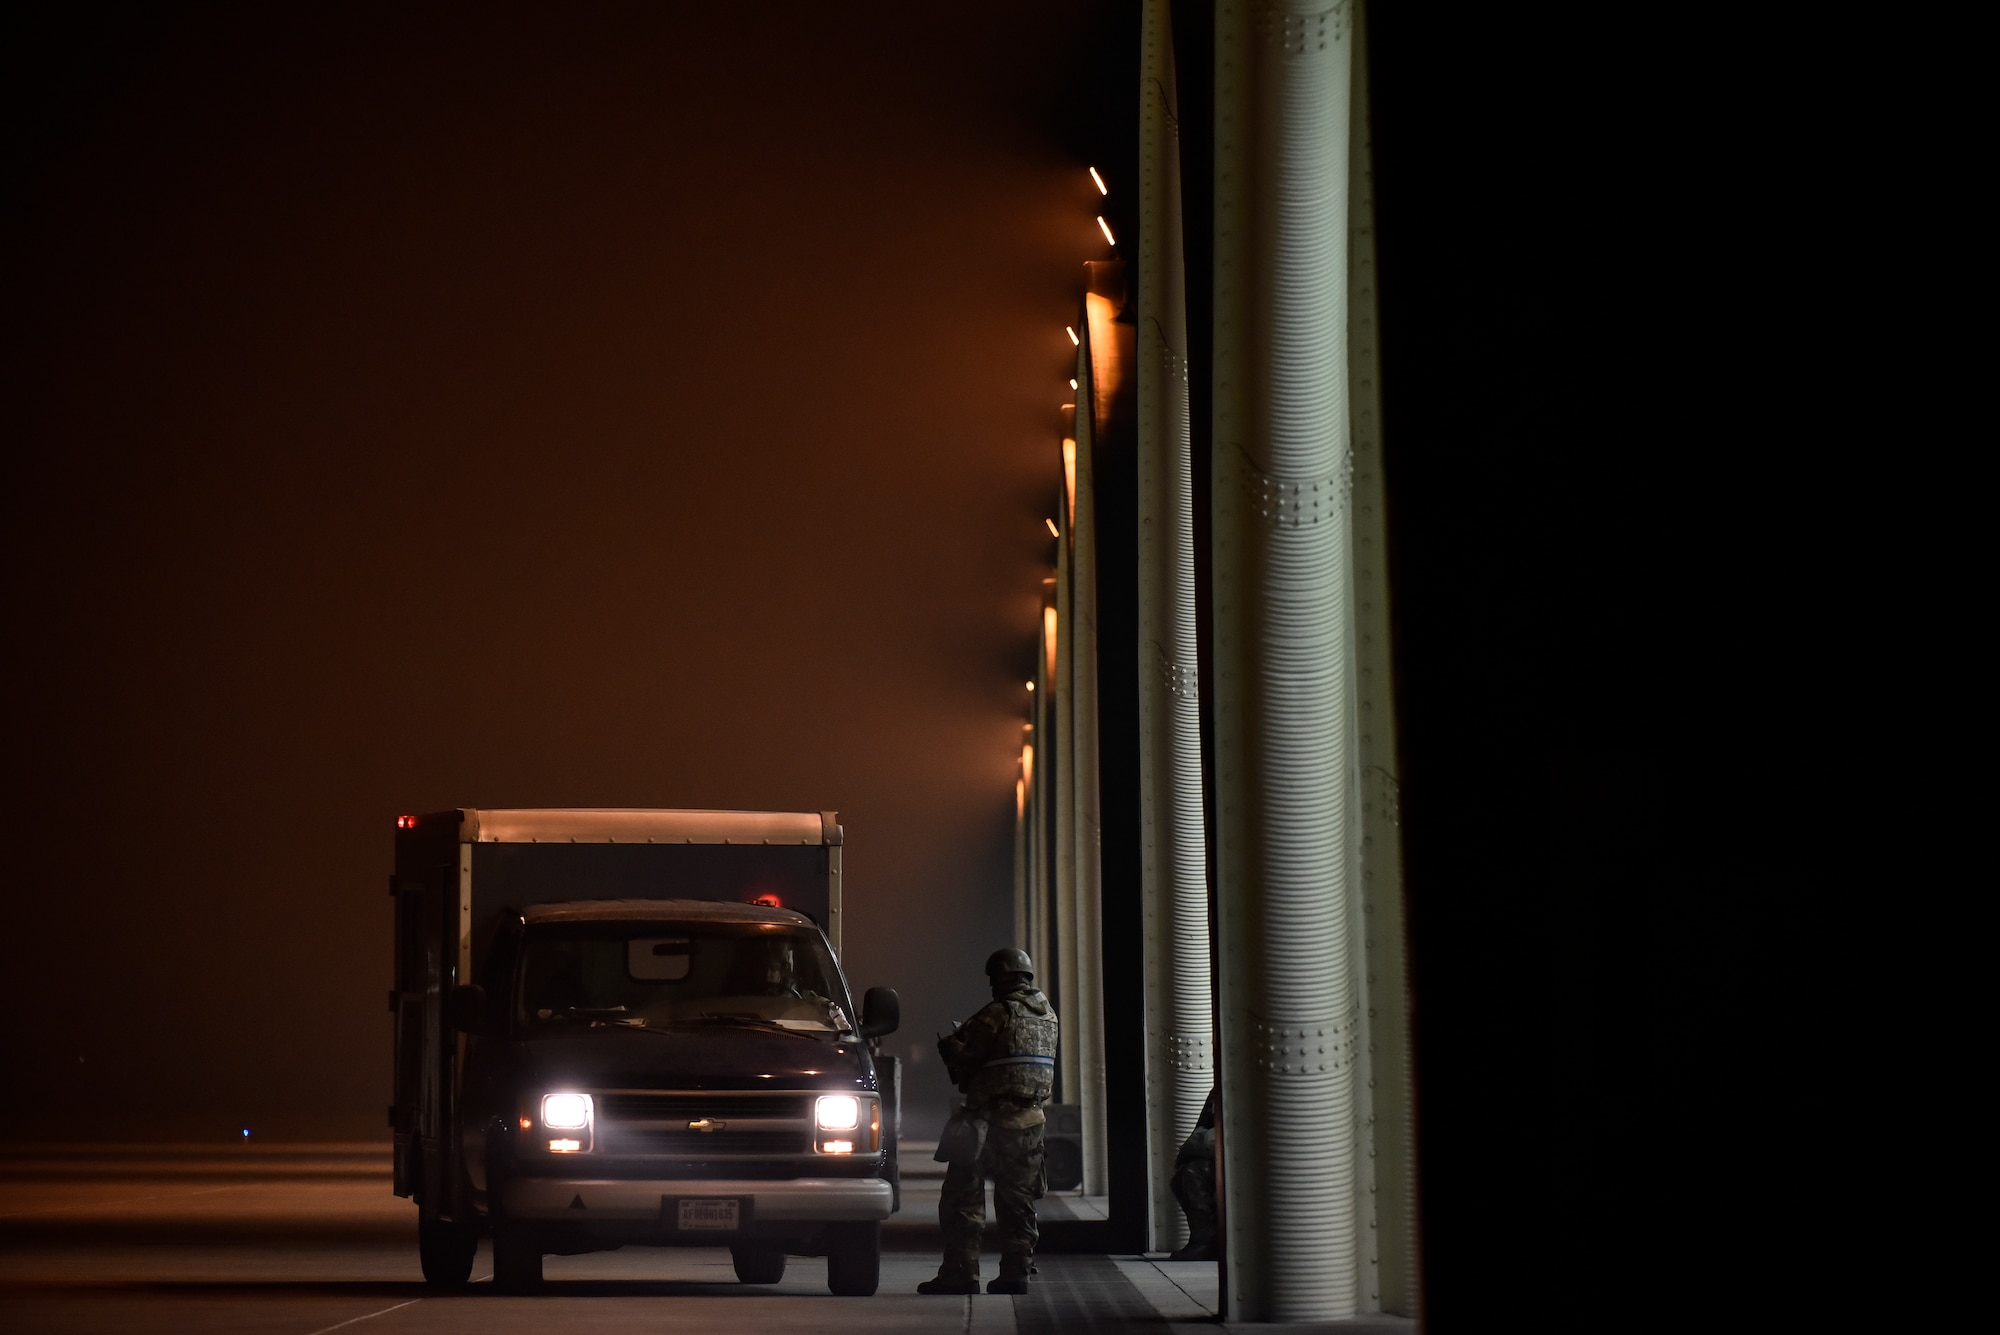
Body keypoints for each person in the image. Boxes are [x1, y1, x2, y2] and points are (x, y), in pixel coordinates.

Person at [917, 947, 1059, 1295]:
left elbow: (966, 1053)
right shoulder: (1048, 1015)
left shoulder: (998, 1012)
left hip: (988, 1121)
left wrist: (950, 1045)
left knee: (962, 1197)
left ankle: (960, 1273)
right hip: (1031, 1121)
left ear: (999, 979)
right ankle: (1017, 1271)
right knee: (1018, 1200)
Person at [1167, 1086, 1217, 1261]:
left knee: (1194, 1172)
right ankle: (1205, 1240)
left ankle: (1206, 1242)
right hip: (1221, 1157)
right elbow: (1201, 1129)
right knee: (1186, 1175)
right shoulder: (1221, 1088)